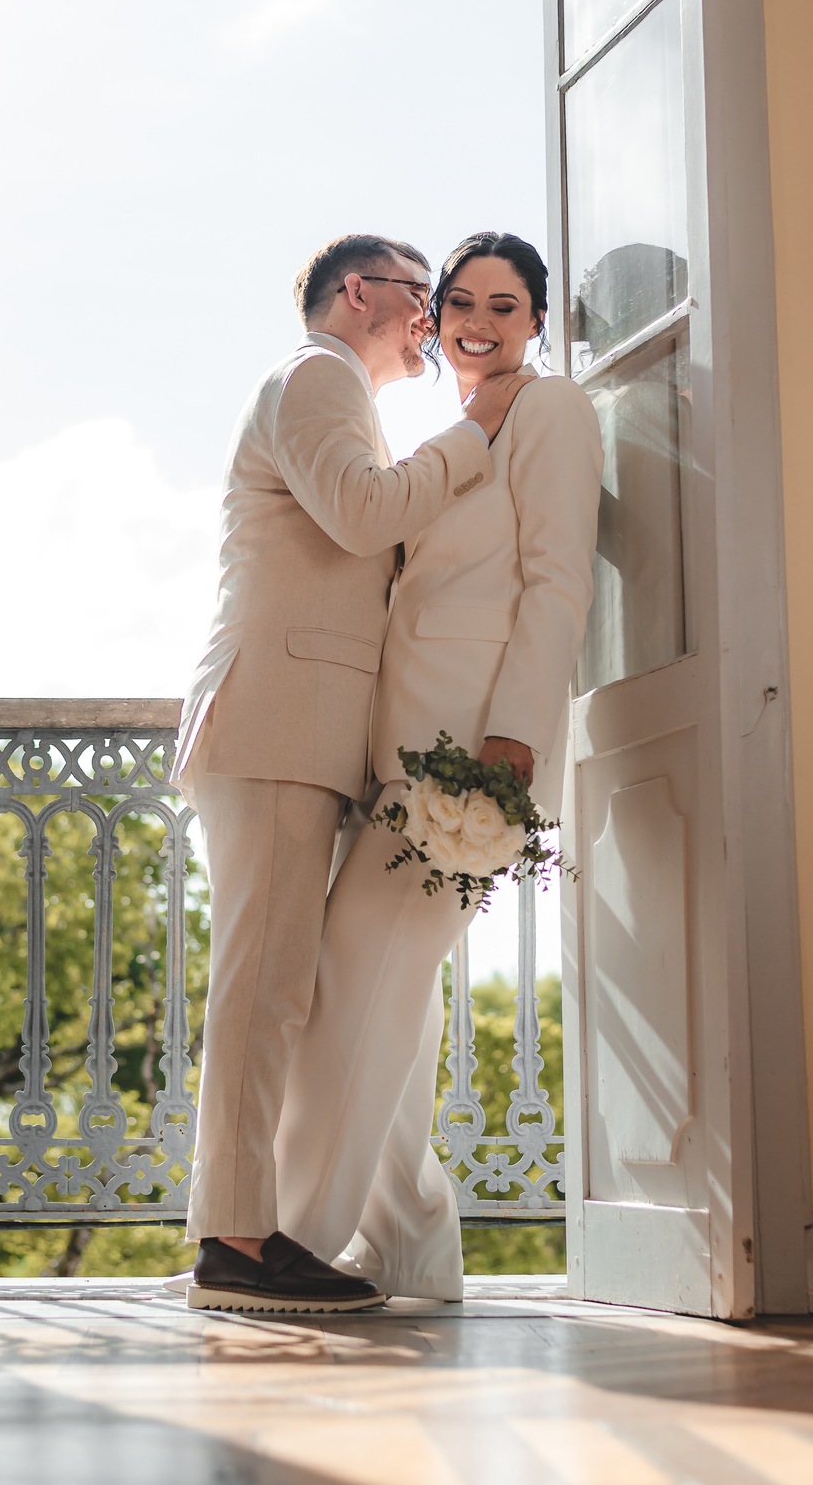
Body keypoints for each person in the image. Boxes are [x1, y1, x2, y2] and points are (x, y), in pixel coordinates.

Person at [177, 232, 531, 1314]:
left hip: (308, 735)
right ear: (359, 291)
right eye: (422, 295)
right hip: (276, 724)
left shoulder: (344, 399)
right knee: (266, 991)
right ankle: (238, 1244)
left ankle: (323, 1229)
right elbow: (365, 513)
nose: (431, 319)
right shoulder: (315, 375)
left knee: (303, 991)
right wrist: (474, 434)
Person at [273, 230, 603, 1302]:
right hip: (399, 753)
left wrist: (513, 742)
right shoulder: (444, 426)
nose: (477, 320)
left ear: (536, 322)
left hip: (472, 752)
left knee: (359, 972)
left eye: (504, 305)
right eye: (460, 300)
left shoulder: (549, 412)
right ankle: (412, 1243)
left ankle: (297, 1239)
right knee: (391, 998)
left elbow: (555, 583)